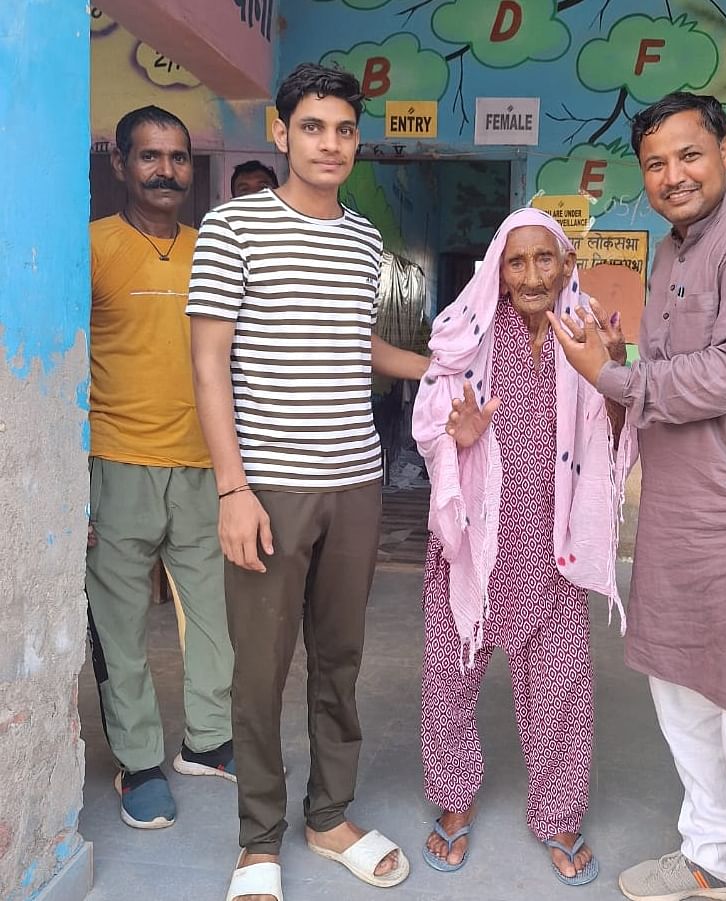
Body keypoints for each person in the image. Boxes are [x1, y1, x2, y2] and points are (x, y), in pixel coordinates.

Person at [550, 92, 726, 901]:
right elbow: (673, 377)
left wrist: (612, 374)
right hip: (678, 518)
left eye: (689, 154)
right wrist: (621, 357)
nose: (673, 175)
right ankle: (710, 857)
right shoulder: (672, 253)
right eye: (655, 163)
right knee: (684, 704)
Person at [187, 63, 428, 901]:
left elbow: (361, 348)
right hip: (269, 488)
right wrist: (232, 489)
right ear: (281, 131)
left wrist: (444, 371)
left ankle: (329, 816)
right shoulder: (234, 227)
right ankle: (258, 839)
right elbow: (209, 364)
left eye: (345, 130)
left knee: (341, 658)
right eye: (314, 127)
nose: (331, 144)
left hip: (357, 483)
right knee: (259, 668)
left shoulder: (363, 239)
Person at [413, 207, 627, 887]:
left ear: (566, 265)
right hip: (475, 544)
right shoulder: (467, 335)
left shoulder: (585, 333)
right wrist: (459, 439)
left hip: (552, 546)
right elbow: (429, 420)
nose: (532, 275)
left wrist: (613, 377)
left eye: (545, 260)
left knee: (563, 687)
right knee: (448, 680)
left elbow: (617, 429)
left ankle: (560, 812)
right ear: (499, 273)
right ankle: (455, 796)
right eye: (517, 261)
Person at [87, 105, 235, 831]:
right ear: (121, 165)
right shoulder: (89, 249)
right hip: (116, 464)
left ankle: (207, 742)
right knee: (120, 629)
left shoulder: (212, 249)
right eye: (149, 157)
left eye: (178, 157)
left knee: (213, 619)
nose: (167, 170)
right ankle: (138, 760)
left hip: (203, 465)